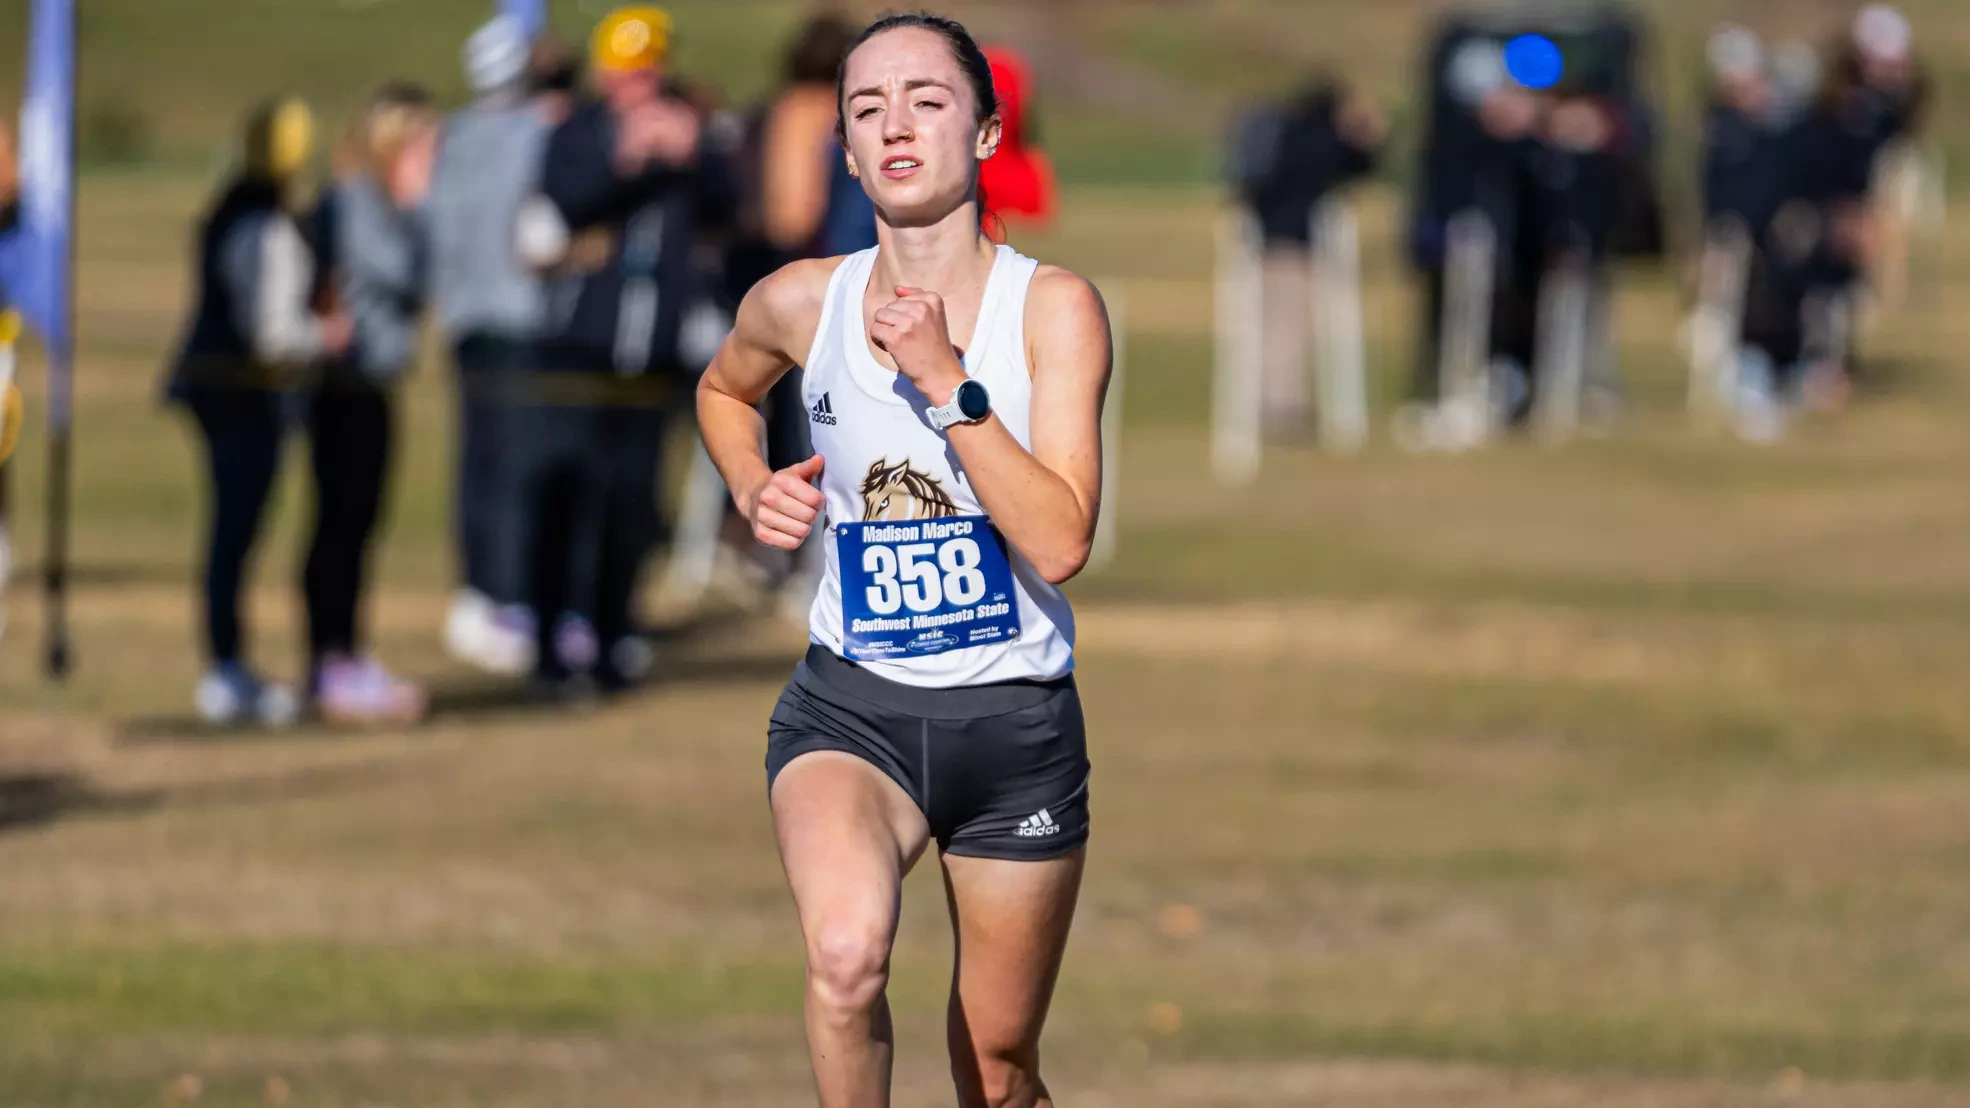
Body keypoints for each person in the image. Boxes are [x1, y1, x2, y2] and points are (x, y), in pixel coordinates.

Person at [697, 13, 1111, 1107]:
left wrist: (945, 384)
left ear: (982, 133)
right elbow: (721, 387)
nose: (894, 125)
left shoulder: (1052, 310)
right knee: (844, 961)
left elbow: (1061, 539)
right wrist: (749, 484)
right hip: (850, 714)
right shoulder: (801, 301)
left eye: (925, 101)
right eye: (867, 107)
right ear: (842, 145)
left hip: (1013, 728)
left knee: (996, 1066)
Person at [525, 5, 730, 690]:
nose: (641, 87)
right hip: (579, 353)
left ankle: (615, 638)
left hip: (656, 356)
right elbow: (565, 202)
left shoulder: (692, 128)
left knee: (633, 506)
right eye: (628, 73)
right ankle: (552, 643)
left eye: (651, 73)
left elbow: (730, 205)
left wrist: (693, 156)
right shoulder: (579, 130)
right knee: (564, 500)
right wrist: (632, 162)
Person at [163, 98, 352, 725]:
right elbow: (273, 333)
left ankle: (230, 667)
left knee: (234, 538)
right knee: (233, 537)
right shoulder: (262, 227)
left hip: (232, 398)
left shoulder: (236, 214)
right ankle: (226, 671)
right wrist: (329, 337)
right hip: (240, 401)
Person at [302, 83, 438, 723]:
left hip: (373, 381)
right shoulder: (361, 201)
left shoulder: (381, 203)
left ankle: (344, 657)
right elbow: (404, 274)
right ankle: (333, 663)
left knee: (358, 523)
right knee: (341, 524)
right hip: (343, 385)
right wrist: (420, 209)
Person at [428, 13, 556, 676]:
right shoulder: (538, 132)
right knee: (511, 468)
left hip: (464, 321)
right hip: (520, 321)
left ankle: (478, 592)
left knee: (474, 461)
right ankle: (507, 599)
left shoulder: (454, 134)